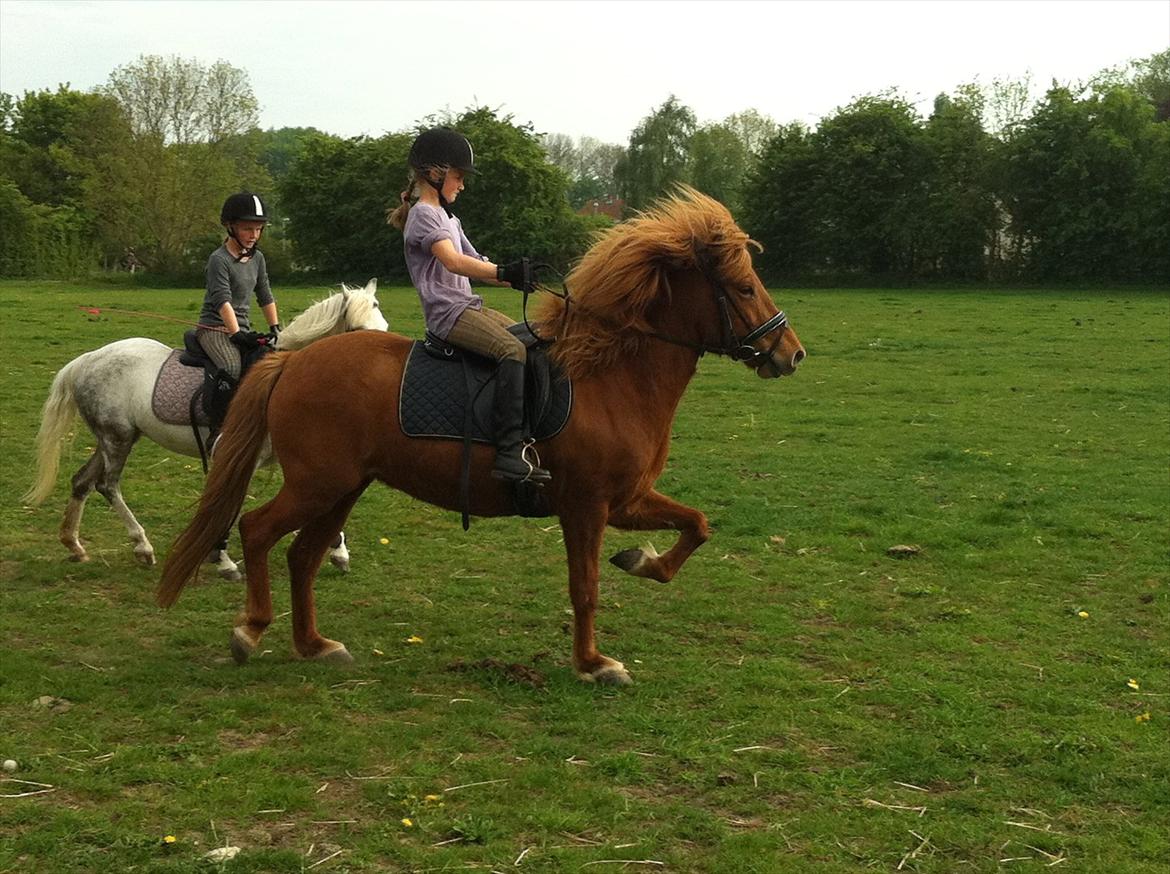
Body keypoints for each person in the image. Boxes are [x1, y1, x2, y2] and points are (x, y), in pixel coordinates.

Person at [389, 128, 550, 483]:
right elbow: (453, 262)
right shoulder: (423, 215)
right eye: (459, 177)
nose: (462, 185)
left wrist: (513, 275)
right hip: (448, 315)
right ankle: (508, 453)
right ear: (435, 174)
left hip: (469, 306)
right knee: (511, 350)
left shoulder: (449, 218)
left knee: (530, 338)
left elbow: (476, 260)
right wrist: (501, 271)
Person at [196, 192, 281, 433]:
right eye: (247, 229)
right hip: (215, 329)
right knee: (231, 366)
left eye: (258, 229)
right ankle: (219, 429)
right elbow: (222, 300)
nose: (254, 235)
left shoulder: (258, 259)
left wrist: (275, 328)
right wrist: (235, 334)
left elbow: (265, 294)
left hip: (241, 328)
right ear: (230, 227)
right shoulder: (218, 260)